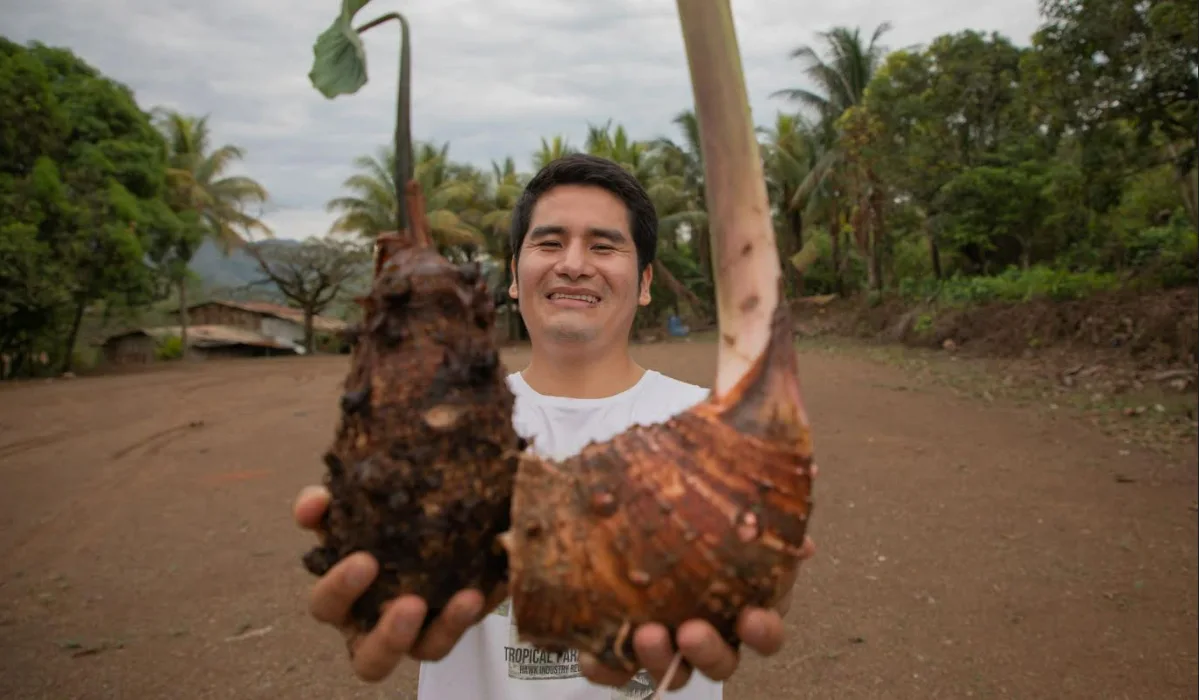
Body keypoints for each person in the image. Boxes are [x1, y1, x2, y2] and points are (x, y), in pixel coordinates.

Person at [292, 153, 816, 699]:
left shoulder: (712, 430)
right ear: (514, 277)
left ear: (645, 282)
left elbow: (757, 586)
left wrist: (764, 583)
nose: (573, 264)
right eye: (549, 243)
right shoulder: (440, 431)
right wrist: (374, 588)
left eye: (603, 246)